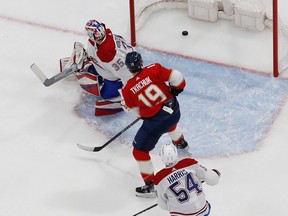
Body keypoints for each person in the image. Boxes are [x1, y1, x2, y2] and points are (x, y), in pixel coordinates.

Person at [120, 51, 189, 198]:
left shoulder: (127, 90)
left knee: (139, 151)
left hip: (157, 122)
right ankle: (181, 142)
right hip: (174, 111)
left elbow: (138, 113)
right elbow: (177, 77)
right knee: (168, 120)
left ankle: (150, 185)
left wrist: (147, 110)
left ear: (128, 68)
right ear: (141, 62)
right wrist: (177, 89)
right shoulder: (154, 68)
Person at [62, 19, 134, 116]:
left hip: (117, 78)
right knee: (89, 70)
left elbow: (129, 74)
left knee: (105, 95)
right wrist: (86, 55)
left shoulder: (113, 57)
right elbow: (94, 49)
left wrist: (128, 95)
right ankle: (97, 72)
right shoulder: (100, 40)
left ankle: (115, 87)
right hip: (106, 68)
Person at [155, 143, 221, 216]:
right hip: (202, 210)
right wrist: (215, 174)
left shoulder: (159, 178)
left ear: (161, 157)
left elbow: (162, 204)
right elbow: (213, 180)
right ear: (176, 153)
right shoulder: (189, 163)